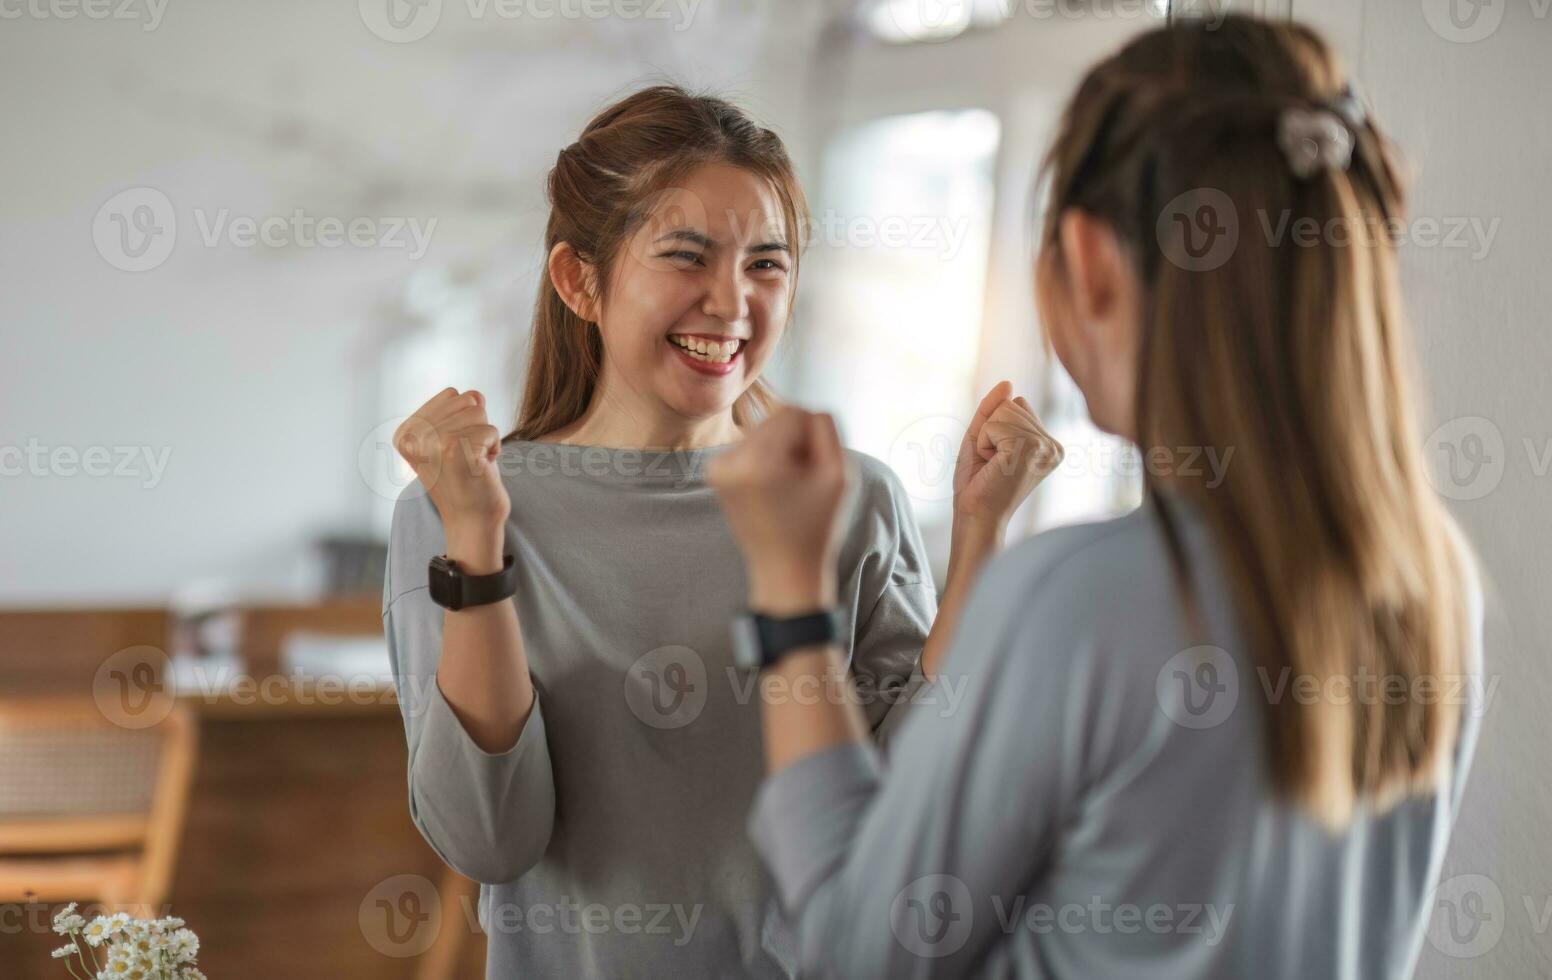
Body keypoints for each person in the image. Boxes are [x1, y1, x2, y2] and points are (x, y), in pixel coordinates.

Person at [713, 16, 1484, 980]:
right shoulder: (1434, 574)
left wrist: (791, 594)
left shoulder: (1084, 597)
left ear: (1089, 261)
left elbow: (853, 954)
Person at [380, 85, 1063, 977]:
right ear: (578, 280)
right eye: (687, 257)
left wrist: (980, 537)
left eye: (766, 265)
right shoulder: (452, 507)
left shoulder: (852, 499)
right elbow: (491, 841)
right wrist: (476, 541)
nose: (731, 303)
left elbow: (911, 812)